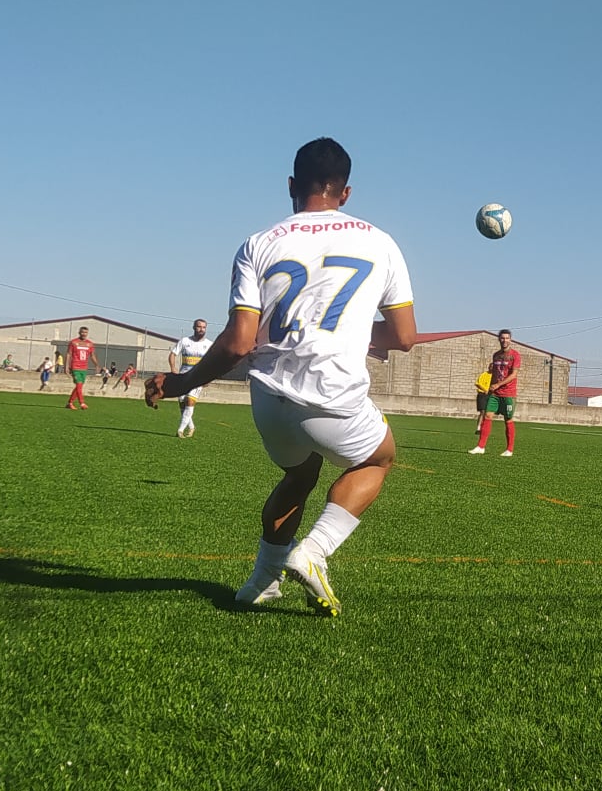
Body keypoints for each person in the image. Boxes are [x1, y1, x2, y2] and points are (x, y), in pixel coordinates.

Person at [145, 136, 417, 614]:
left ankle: (260, 582)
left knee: (300, 472)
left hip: (269, 399)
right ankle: (312, 553)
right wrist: (350, 332)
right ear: (346, 192)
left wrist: (181, 383)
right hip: (333, 393)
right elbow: (404, 336)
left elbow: (238, 343)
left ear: (291, 184)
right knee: (379, 460)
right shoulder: (381, 241)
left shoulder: (258, 243)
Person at [470, 330, 521, 455]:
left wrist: (499, 384)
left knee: (508, 419)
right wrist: (491, 388)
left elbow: (514, 374)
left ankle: (509, 449)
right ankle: (480, 447)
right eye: (502, 338)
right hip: (495, 394)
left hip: (508, 394)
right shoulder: (496, 355)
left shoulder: (515, 355)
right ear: (499, 339)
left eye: (507, 338)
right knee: (487, 416)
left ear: (510, 339)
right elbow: (495, 374)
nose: (504, 340)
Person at [169, 319, 213, 437]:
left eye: (204, 327)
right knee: (182, 403)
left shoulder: (209, 344)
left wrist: (209, 377)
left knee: (190, 400)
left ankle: (180, 430)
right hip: (183, 377)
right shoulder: (184, 341)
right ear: (194, 327)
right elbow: (173, 354)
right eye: (199, 327)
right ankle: (192, 427)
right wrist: (173, 369)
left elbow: (213, 362)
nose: (201, 329)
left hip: (198, 378)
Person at [64, 327, 99, 409]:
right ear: (79, 332)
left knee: (79, 387)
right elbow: (69, 354)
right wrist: (66, 367)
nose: (84, 334)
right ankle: (82, 403)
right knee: (79, 384)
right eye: (82, 332)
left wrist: (97, 365)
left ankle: (70, 403)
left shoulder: (89, 344)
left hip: (84, 368)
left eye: (86, 332)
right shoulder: (73, 342)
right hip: (75, 367)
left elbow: (92, 355)